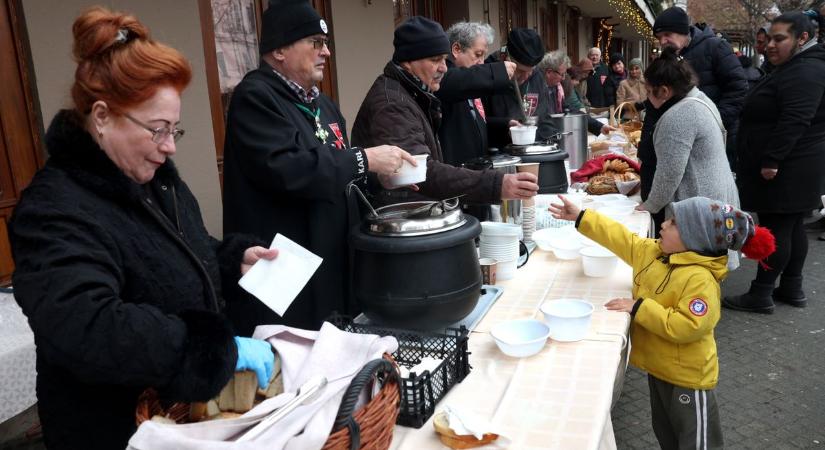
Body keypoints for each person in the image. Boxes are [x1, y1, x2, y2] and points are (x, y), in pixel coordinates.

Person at [8, 8, 278, 449]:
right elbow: (90, 326)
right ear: (101, 116)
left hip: (176, 421)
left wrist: (229, 259)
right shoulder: (52, 210)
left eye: (175, 129)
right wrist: (209, 350)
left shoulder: (155, 181)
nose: (168, 147)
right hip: (112, 431)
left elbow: (174, 252)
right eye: (157, 130)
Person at [222, 0, 417, 333]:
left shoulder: (323, 103)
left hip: (333, 263)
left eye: (325, 44)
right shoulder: (254, 98)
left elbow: (341, 171)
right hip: (286, 275)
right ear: (280, 50)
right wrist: (365, 158)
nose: (326, 52)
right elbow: (289, 169)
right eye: (316, 43)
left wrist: (380, 178)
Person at [550, 195, 776, 450]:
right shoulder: (657, 253)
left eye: (674, 223)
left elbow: (687, 326)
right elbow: (623, 239)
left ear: (694, 240)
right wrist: (582, 216)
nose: (664, 225)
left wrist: (640, 307)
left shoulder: (700, 280)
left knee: (697, 442)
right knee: (667, 434)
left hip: (687, 379)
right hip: (659, 369)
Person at [351, 16, 539, 207]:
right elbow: (420, 172)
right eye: (435, 60)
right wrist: (496, 184)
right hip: (399, 215)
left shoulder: (415, 90)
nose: (443, 68)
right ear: (408, 61)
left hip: (413, 209)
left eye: (443, 59)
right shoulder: (393, 104)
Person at [723, 12, 825, 313]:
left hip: (787, 167)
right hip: (796, 165)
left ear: (802, 38)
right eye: (768, 38)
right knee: (792, 227)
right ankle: (792, 287)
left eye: (779, 39)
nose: (769, 45)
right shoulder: (799, 65)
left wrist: (772, 160)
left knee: (777, 229)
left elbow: (795, 118)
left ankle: (761, 293)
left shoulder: (807, 70)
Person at [636, 47, 738, 233]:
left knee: (694, 260)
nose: (647, 98)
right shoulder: (700, 98)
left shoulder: (679, 115)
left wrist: (651, 205)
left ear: (665, 91)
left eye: (649, 91)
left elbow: (669, 173)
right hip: (715, 198)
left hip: (700, 204)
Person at [653, 6, 748, 172]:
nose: (662, 41)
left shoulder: (716, 47)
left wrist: (713, 123)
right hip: (684, 139)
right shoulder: (669, 57)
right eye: (659, 37)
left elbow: (738, 89)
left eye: (667, 35)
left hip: (718, 139)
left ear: (683, 31)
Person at [438, 21, 515, 166]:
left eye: (484, 56)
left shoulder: (471, 81)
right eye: (478, 54)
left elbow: (474, 122)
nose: (482, 62)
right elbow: (459, 81)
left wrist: (505, 124)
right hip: (454, 171)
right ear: (456, 49)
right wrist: (497, 72)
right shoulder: (445, 77)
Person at [482, 28, 557, 148]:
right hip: (498, 154)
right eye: (520, 71)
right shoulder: (487, 73)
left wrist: (553, 143)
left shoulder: (537, 75)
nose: (526, 76)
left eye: (531, 71)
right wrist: (505, 124)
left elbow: (544, 118)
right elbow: (479, 121)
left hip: (533, 152)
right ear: (505, 59)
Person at [538, 50, 612, 135]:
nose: (563, 78)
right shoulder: (536, 88)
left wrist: (600, 126)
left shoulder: (556, 88)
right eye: (562, 74)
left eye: (565, 74)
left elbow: (571, 110)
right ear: (549, 72)